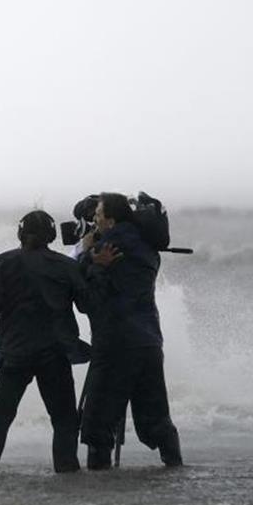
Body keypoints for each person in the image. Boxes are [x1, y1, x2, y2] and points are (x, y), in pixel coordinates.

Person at [0, 210, 109, 473]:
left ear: (20, 234)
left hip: (14, 354)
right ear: (51, 236)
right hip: (55, 354)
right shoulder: (67, 266)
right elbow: (89, 305)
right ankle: (66, 475)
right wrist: (96, 267)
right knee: (64, 421)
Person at [78, 192, 183, 469]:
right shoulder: (146, 246)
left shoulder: (106, 248)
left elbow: (85, 293)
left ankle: (98, 487)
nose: (94, 222)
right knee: (156, 419)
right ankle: (176, 470)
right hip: (148, 342)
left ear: (111, 221)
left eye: (98, 216)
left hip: (115, 343)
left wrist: (84, 253)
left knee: (97, 425)